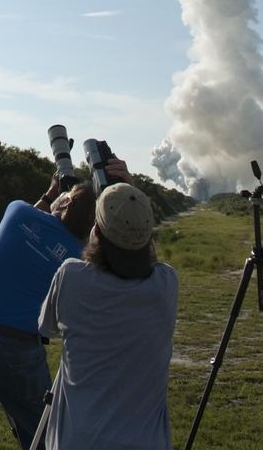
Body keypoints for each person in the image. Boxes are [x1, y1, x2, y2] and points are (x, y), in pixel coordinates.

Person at [0, 157, 129, 450]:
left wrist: (51, 191)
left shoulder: (18, 213)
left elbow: (35, 217)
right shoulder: (79, 255)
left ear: (65, 204)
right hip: (20, 352)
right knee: (41, 438)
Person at [37, 181, 177, 450]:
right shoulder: (167, 284)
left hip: (77, 442)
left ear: (96, 231)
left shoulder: (71, 275)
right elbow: (152, 261)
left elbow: (46, 327)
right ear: (147, 236)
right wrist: (133, 204)